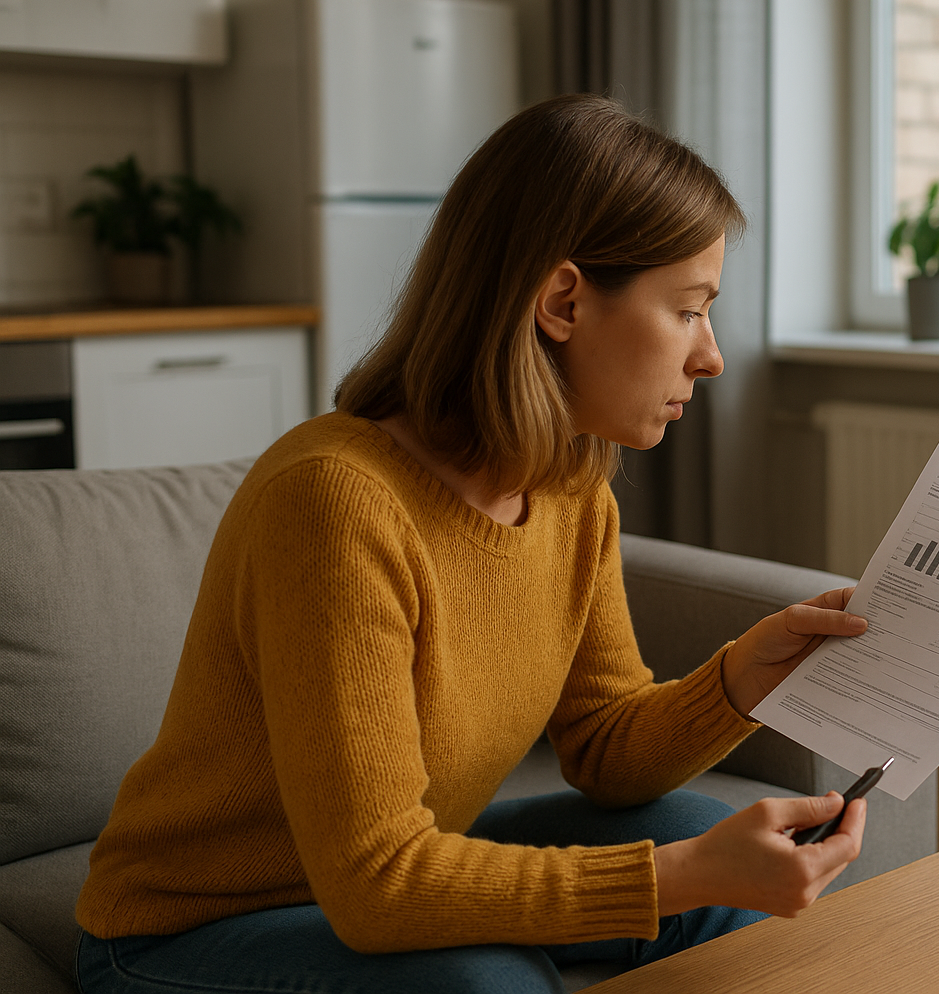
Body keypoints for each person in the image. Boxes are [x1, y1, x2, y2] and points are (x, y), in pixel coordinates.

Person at [74, 94, 870, 994]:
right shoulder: (335, 502)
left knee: (697, 824)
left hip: (398, 868)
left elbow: (605, 752)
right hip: (192, 930)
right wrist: (678, 878)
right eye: (689, 310)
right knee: (484, 982)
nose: (711, 356)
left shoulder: (572, 489)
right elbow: (378, 887)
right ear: (563, 301)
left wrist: (740, 679)